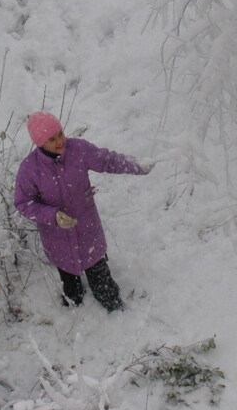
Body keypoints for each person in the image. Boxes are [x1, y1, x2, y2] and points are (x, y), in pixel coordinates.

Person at [13, 111, 151, 312]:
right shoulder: (30, 169)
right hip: (57, 238)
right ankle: (74, 305)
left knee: (101, 277)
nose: (60, 141)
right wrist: (53, 216)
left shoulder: (78, 150)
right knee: (71, 286)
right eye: (51, 139)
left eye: (60, 133)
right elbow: (23, 203)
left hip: (87, 229)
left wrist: (136, 165)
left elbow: (107, 160)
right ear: (39, 142)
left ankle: (114, 307)